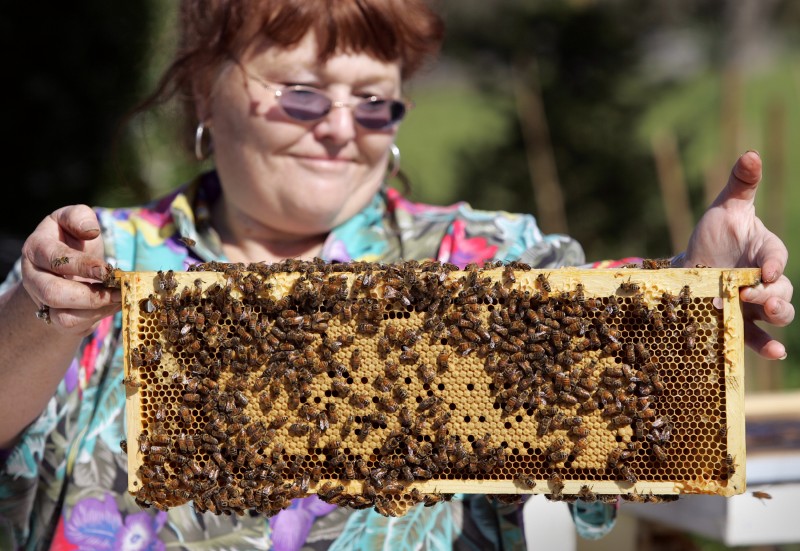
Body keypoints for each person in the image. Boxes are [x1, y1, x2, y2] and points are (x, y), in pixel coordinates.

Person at [0, 1, 793, 549]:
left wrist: (697, 297)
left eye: (374, 101)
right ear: (208, 85)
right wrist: (44, 309)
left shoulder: (473, 261)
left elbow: (632, 400)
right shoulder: (109, 261)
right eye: (303, 92)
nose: (342, 129)